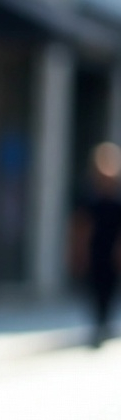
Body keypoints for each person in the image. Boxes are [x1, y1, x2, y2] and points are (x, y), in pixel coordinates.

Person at [71, 141, 121, 347]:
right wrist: (78, 250)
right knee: (94, 288)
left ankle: (105, 322)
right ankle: (98, 323)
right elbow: (80, 224)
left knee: (110, 287)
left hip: (112, 249)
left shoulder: (117, 197)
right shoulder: (88, 195)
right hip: (95, 249)